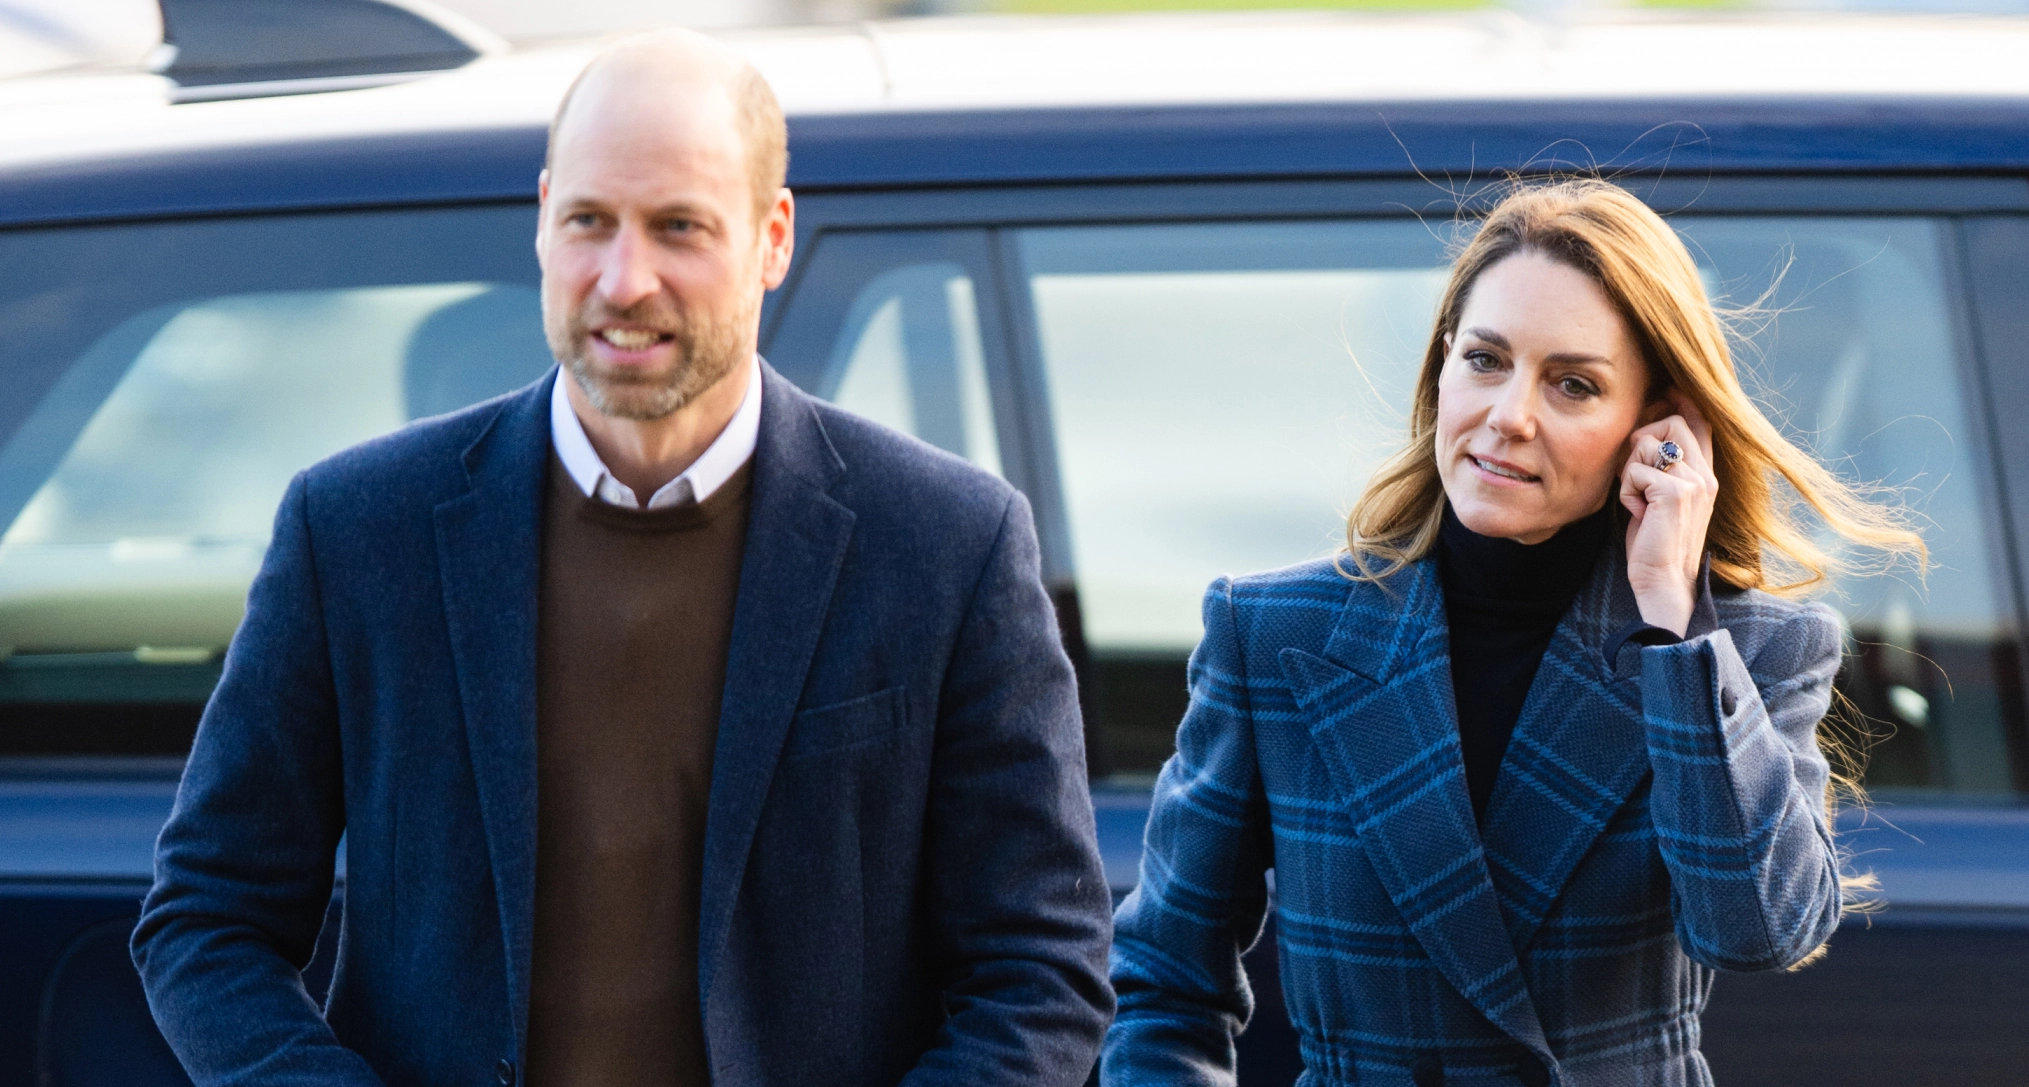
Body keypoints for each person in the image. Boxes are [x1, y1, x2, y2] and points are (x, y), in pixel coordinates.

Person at [132, 31, 1113, 1087]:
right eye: (589, 221)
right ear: (542, 218)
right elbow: (206, 917)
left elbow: (1042, 965)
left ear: (772, 237)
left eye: (678, 226)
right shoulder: (356, 531)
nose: (624, 279)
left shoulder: (948, 544)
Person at [1101, 179, 1924, 1087]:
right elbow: (1164, 983)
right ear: (1440, 367)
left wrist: (1672, 616)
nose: (1509, 416)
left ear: (1657, 427)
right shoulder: (1275, 634)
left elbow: (1759, 931)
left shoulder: (1744, 650)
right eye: (1485, 360)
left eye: (1573, 384)